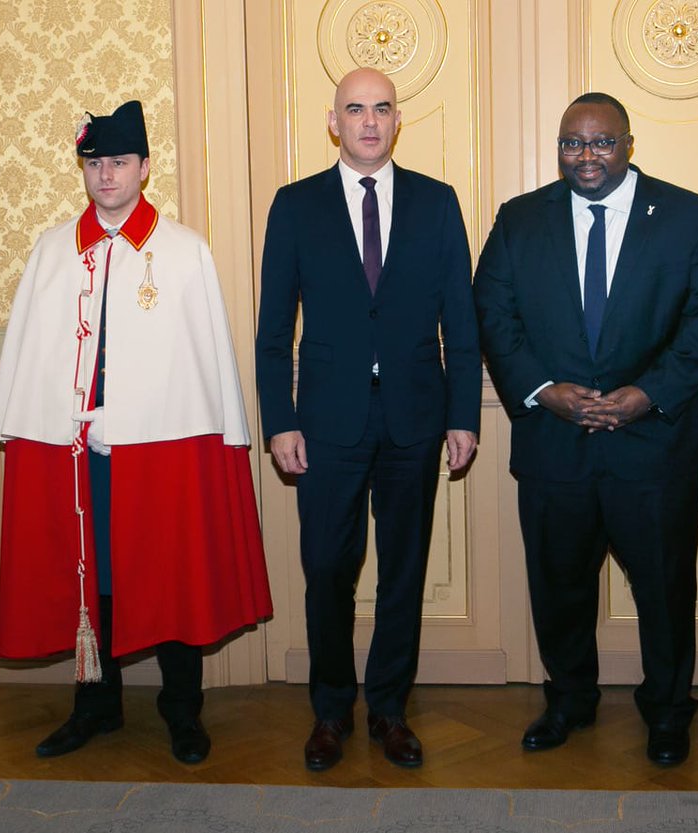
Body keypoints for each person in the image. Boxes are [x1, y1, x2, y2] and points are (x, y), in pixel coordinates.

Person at [0, 100, 273, 765]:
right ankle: (96, 706)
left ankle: (182, 711)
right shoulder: (53, 251)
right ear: (83, 170)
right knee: (92, 577)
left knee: (172, 573)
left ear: (145, 168)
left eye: (119, 162)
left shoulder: (182, 250)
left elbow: (204, 363)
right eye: (94, 162)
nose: (106, 175)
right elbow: (34, 351)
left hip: (165, 450)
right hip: (77, 453)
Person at [474, 92, 698, 766]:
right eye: (572, 143)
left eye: (601, 142)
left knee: (665, 589)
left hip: (655, 446)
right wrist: (542, 391)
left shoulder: (686, 217)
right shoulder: (519, 220)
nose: (586, 156)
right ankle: (568, 699)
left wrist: (648, 394)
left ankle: (669, 709)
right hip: (555, 444)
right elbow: (494, 316)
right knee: (559, 584)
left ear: (628, 144)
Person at [255, 68, 481, 771]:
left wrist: (463, 415)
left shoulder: (437, 203)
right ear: (334, 121)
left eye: (381, 108)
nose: (369, 121)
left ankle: (388, 707)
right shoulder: (295, 206)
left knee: (404, 571)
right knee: (327, 568)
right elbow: (272, 331)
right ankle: (330, 710)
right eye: (355, 109)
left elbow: (462, 324)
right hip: (325, 421)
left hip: (416, 416)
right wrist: (279, 420)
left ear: (397, 118)